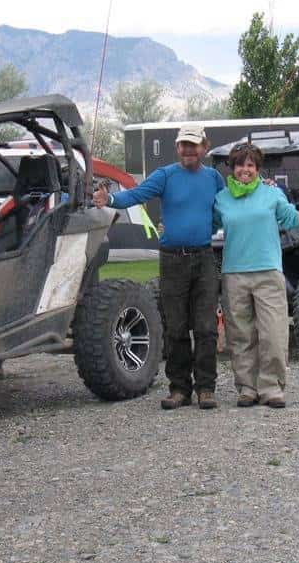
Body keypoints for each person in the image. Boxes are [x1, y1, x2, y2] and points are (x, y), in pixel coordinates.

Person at [96, 124, 224, 410]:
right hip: (171, 259)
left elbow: (224, 210)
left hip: (204, 258)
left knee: (205, 328)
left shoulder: (214, 178)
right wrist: (111, 199)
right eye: (183, 145)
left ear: (204, 146)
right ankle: (179, 389)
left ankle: (206, 388)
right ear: (177, 148)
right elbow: (137, 194)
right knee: (176, 327)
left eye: (194, 144)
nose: (188, 150)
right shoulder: (165, 175)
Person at [213, 142, 299, 408]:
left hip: (268, 272)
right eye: (240, 165)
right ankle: (247, 388)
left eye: (250, 165)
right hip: (234, 274)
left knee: (273, 332)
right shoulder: (222, 199)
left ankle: (271, 387)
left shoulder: (272, 194)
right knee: (241, 335)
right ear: (233, 168)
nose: (245, 170)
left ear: (257, 168)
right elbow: (205, 224)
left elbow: (293, 220)